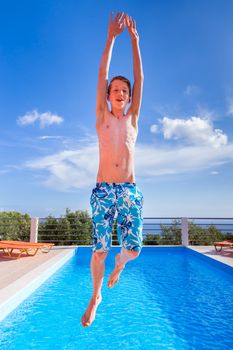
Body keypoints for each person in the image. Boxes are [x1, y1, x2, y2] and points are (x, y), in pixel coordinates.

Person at [81, 12, 144, 327]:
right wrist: (111, 38)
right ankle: (95, 297)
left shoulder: (132, 120)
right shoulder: (102, 118)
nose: (120, 93)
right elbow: (102, 73)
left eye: (125, 91)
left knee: (132, 250)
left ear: (130, 98)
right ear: (107, 96)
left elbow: (141, 78)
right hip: (104, 190)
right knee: (98, 251)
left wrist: (135, 41)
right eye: (115, 90)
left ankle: (121, 265)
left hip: (129, 191)